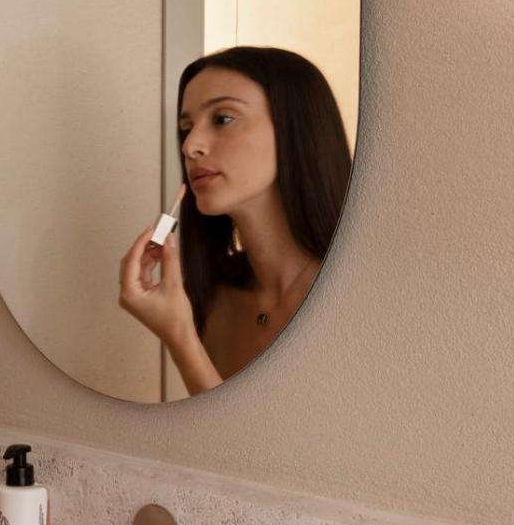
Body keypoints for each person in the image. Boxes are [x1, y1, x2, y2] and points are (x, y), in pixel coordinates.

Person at [119, 47, 352, 395]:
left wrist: (180, 337)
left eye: (223, 119)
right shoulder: (215, 298)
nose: (190, 146)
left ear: (295, 128)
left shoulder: (354, 295)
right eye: (186, 128)